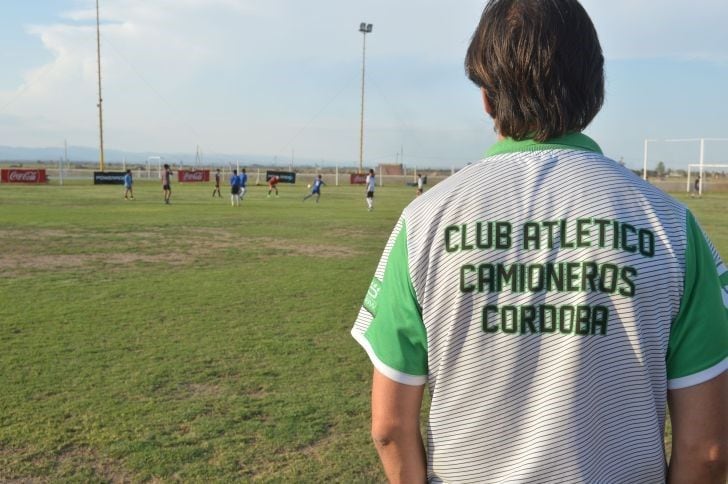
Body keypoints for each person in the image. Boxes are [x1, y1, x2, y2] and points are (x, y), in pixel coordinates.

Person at [350, 1, 728, 483]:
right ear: (595, 92)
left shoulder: (423, 222)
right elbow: (709, 449)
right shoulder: (673, 227)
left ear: (487, 96)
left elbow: (390, 427)